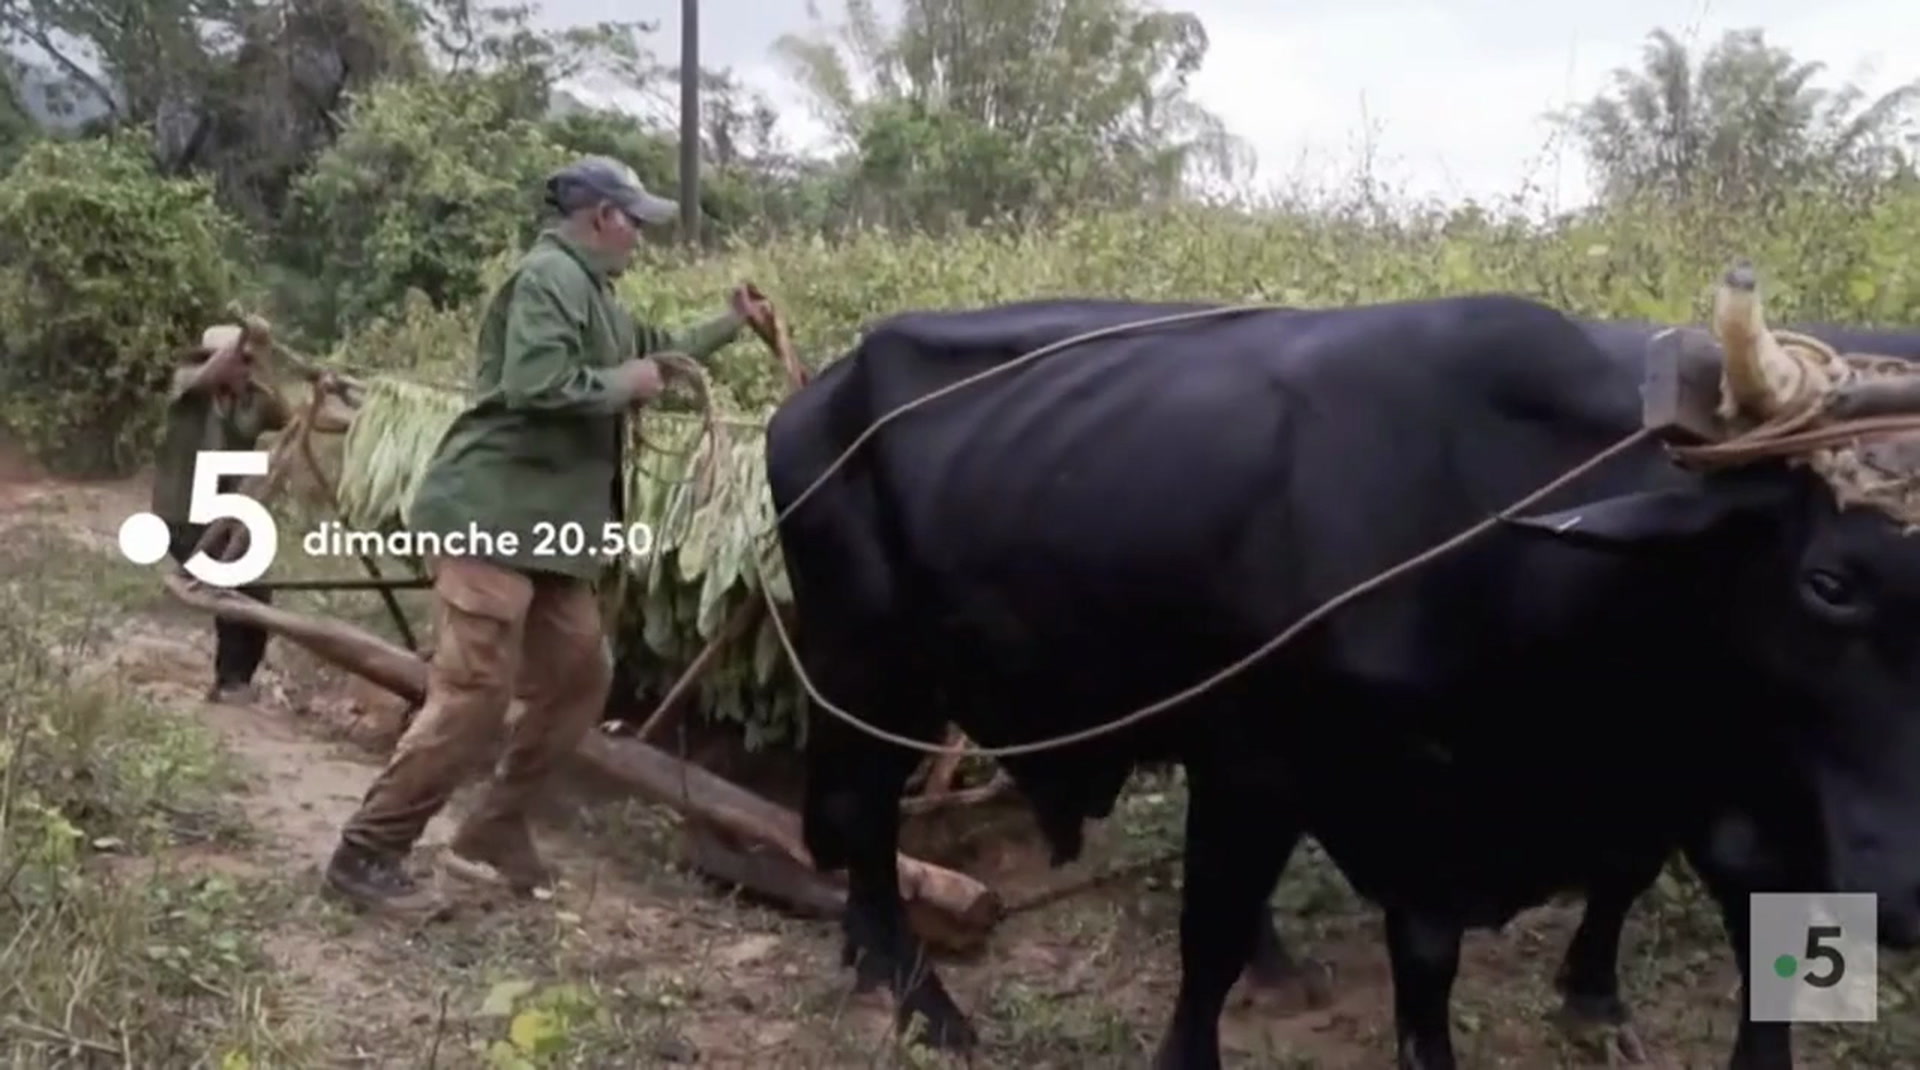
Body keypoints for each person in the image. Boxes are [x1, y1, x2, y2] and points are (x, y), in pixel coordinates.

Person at [322, 155, 774, 914]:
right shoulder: (547, 280)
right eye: (635, 223)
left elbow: (655, 349)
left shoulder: (594, 294)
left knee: (576, 678)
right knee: (474, 696)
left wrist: (731, 321)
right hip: (490, 516)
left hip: (554, 532)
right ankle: (366, 853)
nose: (640, 238)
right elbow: (537, 386)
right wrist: (623, 386)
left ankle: (494, 829)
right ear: (601, 217)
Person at [153, 324, 290, 703]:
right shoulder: (188, 387)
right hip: (180, 516)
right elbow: (205, 376)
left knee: (257, 592)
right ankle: (230, 683)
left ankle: (236, 681)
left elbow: (286, 416)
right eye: (237, 360)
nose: (243, 368)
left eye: (248, 363)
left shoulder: (253, 400)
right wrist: (238, 345)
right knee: (231, 583)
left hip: (225, 520)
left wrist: (265, 359)